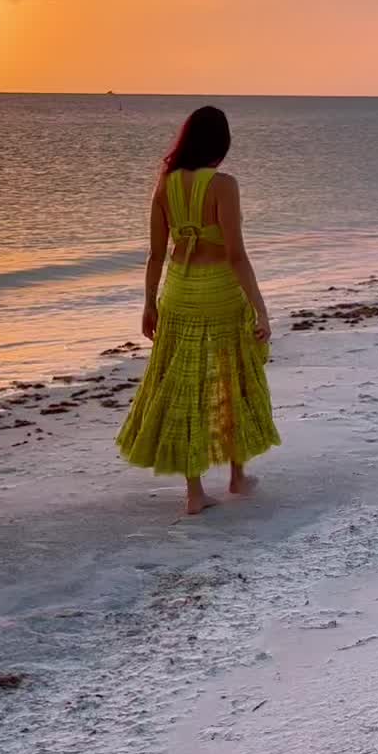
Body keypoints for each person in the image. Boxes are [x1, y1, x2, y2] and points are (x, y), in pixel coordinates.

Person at [116, 105, 280, 515]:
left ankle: (194, 492)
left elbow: (156, 255)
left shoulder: (165, 184)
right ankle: (237, 476)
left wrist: (148, 304)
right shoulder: (223, 185)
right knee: (234, 379)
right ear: (221, 143)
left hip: (179, 293)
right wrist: (261, 310)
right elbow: (236, 255)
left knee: (185, 387)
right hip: (220, 293)